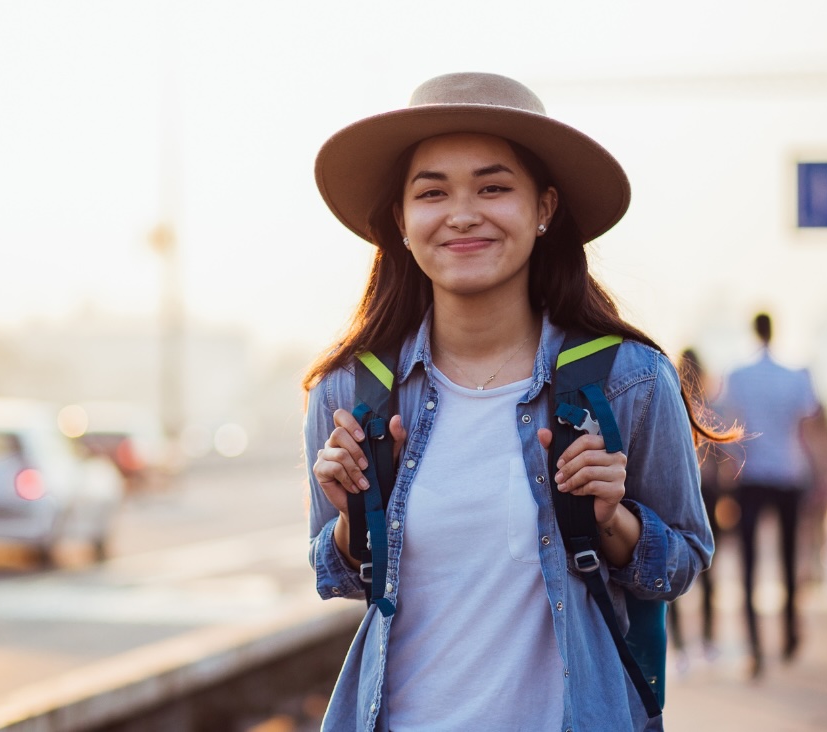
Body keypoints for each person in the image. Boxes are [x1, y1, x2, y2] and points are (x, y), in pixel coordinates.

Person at [304, 72, 735, 732]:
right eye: (432, 192)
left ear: (544, 208)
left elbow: (680, 564)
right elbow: (336, 576)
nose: (463, 212)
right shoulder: (352, 391)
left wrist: (612, 521)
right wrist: (351, 518)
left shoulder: (628, 380)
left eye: (493, 186)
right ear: (402, 220)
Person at [718, 313, 823, 678]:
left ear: (753, 330)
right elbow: (810, 425)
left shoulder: (737, 377)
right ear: (774, 331)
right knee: (789, 559)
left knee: (748, 565)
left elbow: (727, 427)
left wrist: (731, 465)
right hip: (789, 474)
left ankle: (755, 647)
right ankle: (790, 633)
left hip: (751, 477)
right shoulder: (796, 376)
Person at [667, 348, 724, 668]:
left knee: (671, 567)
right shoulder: (709, 407)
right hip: (707, 493)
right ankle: (708, 640)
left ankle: (681, 648)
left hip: (674, 494)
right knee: (708, 571)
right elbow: (718, 461)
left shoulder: (668, 402)